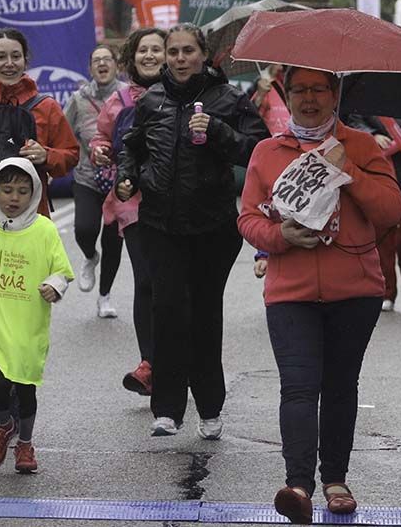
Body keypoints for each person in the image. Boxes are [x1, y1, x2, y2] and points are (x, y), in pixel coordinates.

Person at [238, 66, 401, 524]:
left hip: (356, 291)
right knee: (298, 386)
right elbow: (249, 218)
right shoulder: (268, 152)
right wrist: (281, 235)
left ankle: (335, 480)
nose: (308, 99)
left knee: (339, 386)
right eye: (299, 91)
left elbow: (391, 211)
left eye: (318, 90)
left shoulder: (363, 146)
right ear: (285, 96)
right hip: (290, 293)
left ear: (335, 95)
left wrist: (347, 169)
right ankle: (298, 486)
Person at [115, 23, 268, 438]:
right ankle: (166, 408)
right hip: (161, 224)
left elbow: (260, 149)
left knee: (202, 315)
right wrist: (128, 177)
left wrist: (216, 132)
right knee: (166, 313)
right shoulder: (153, 101)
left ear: (204, 55)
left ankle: (210, 408)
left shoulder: (227, 98)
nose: (180, 59)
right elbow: (131, 145)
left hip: (211, 227)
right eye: (174, 52)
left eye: (188, 51)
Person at [0, 28, 78, 441]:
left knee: (22, 324)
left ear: (26, 60)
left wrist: (47, 156)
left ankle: (14, 401)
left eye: (16, 56)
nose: (9, 63)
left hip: (31, 234)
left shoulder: (45, 107)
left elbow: (70, 155)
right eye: (1, 56)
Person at [0, 158, 73, 473]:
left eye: (23, 191)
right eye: (7, 190)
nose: (15, 198)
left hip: (27, 325)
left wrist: (54, 286)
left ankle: (24, 442)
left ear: (35, 193)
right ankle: (4, 425)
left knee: (25, 389)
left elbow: (62, 270)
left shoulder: (44, 230)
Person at [90, 27, 166, 396]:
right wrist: (99, 150)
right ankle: (149, 363)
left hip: (177, 204)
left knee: (175, 286)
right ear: (132, 58)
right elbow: (102, 136)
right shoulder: (119, 99)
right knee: (146, 281)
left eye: (157, 50)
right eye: (143, 51)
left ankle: (178, 360)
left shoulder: (182, 98)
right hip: (132, 202)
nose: (150, 56)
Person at [64, 44, 126, 318]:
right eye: (96, 61)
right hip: (87, 176)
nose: (102, 64)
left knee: (113, 239)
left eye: (107, 60)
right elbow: (64, 133)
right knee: (84, 229)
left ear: (116, 65)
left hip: (120, 180)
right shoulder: (78, 99)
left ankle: (104, 296)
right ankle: (90, 256)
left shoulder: (127, 95)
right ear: (90, 68)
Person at [348, 114, 401, 312]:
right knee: (382, 240)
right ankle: (386, 292)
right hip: (378, 174)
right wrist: (372, 136)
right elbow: (353, 120)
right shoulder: (366, 91)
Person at [251, 63, 290, 136]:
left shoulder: (301, 87)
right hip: (273, 142)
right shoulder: (265, 86)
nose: (280, 67)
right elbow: (251, 119)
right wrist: (260, 95)